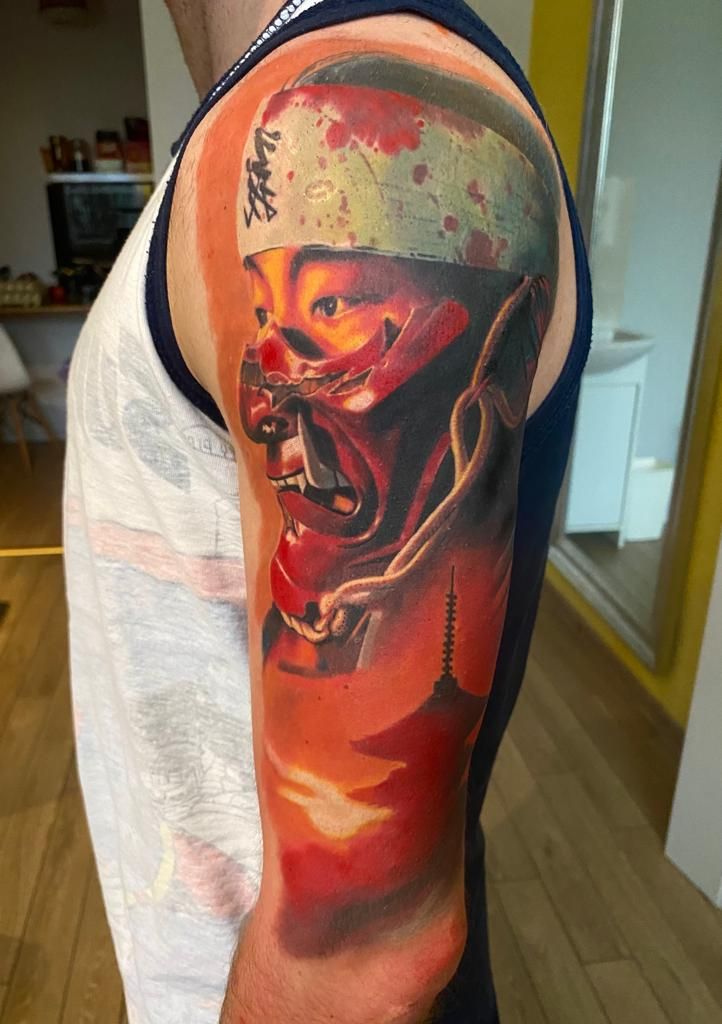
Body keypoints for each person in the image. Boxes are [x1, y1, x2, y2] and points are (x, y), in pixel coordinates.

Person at [63, 2, 590, 1022]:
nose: (277, 415)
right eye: (271, 327)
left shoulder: (351, 86)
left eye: (334, 317)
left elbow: (362, 954)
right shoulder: (271, 113)